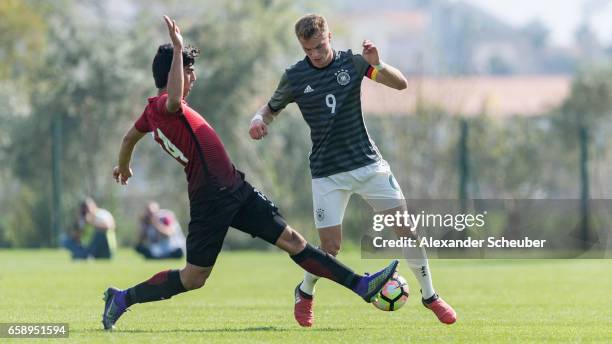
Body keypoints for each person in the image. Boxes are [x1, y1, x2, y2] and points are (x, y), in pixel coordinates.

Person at [102, 16, 399, 331]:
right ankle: (122, 298)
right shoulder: (165, 105)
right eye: (191, 73)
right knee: (193, 277)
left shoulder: (150, 114)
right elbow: (173, 98)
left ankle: (361, 286)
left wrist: (124, 164)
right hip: (211, 199)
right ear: (178, 73)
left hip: (234, 188)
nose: (194, 79)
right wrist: (178, 49)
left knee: (293, 240)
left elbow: (128, 138)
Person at [249, 14, 457, 326]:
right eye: (309, 51)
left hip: (368, 165)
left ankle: (430, 296)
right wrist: (258, 119)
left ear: (329, 36)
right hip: (327, 173)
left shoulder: (354, 64)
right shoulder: (294, 76)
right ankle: (304, 292)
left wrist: (380, 63)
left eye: (319, 46)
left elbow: (401, 84)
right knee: (330, 247)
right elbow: (271, 108)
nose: (316, 55)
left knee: (406, 229)